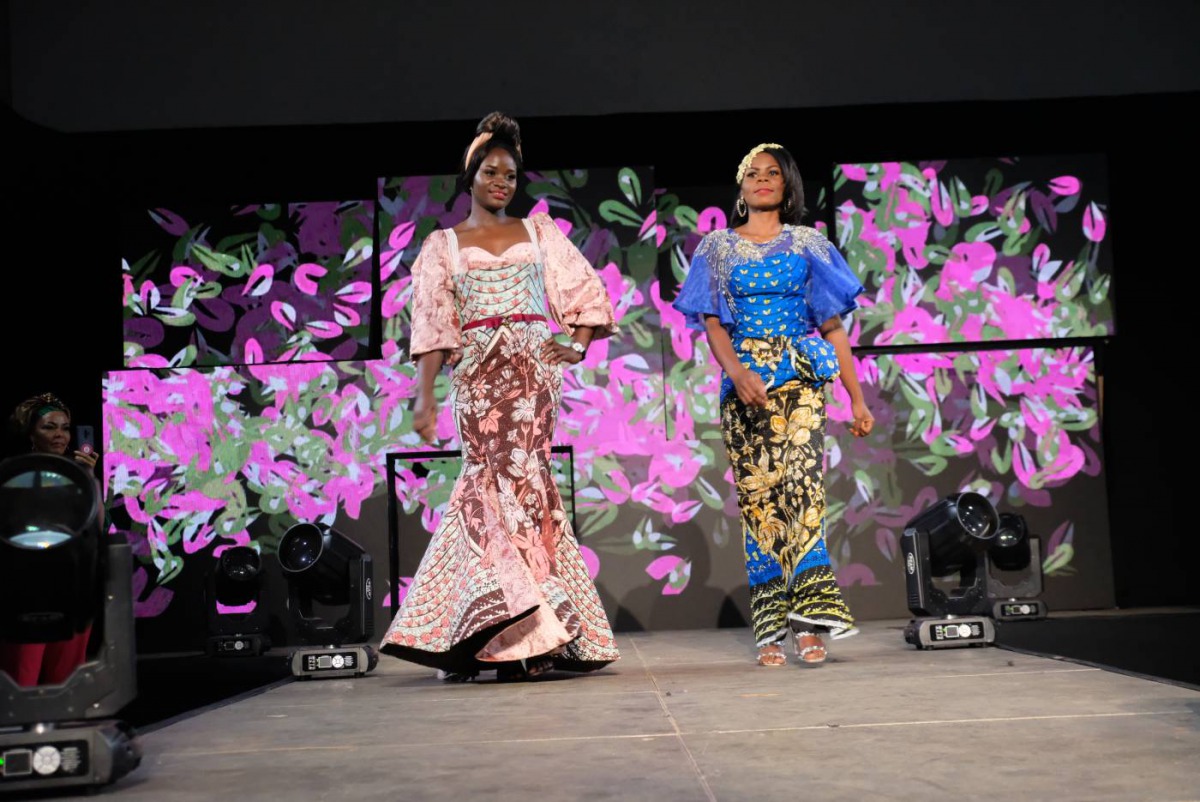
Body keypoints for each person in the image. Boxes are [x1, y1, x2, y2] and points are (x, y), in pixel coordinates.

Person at [379, 112, 621, 681]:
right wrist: (425, 397)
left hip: (534, 377)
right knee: (485, 487)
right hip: (479, 380)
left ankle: (533, 637)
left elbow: (587, 290)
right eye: (491, 171)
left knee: (530, 486)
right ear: (471, 176)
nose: (502, 183)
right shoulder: (443, 245)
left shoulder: (540, 232)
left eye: (511, 175)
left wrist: (579, 345)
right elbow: (434, 325)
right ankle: (499, 629)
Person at [672, 143, 875, 668]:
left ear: (787, 185)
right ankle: (770, 628)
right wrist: (736, 373)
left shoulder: (809, 243)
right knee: (761, 504)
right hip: (744, 386)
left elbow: (832, 328)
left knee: (804, 497)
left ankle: (809, 624)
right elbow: (712, 322)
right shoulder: (716, 247)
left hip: (801, 381)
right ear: (740, 188)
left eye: (773, 174)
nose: (763, 180)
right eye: (752, 174)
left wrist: (857, 399)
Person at [0, 392, 102, 686]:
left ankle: (63, 731)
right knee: (21, 675)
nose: (60, 434)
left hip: (72, 584)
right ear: (31, 432)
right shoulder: (13, 471)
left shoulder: (80, 475)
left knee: (66, 678)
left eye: (65, 427)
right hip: (24, 587)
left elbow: (95, 529)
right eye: (49, 427)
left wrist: (88, 478)